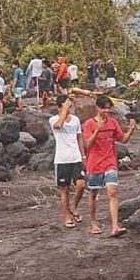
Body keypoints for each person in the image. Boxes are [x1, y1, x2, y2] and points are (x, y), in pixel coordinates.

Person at [83, 96, 136, 237]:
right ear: (97, 108)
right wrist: (97, 130)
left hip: (110, 161)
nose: (106, 110)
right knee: (94, 193)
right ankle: (93, 223)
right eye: (104, 108)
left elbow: (123, 139)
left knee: (112, 192)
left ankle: (115, 226)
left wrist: (131, 130)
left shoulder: (112, 123)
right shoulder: (89, 124)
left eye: (108, 108)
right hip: (94, 163)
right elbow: (87, 144)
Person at [51, 95, 86, 229]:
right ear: (60, 106)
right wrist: (64, 111)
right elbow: (58, 126)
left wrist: (83, 156)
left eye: (70, 106)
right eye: (67, 106)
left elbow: (79, 138)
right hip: (62, 159)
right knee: (64, 189)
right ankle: (67, 216)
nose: (70, 109)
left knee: (81, 185)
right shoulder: (53, 119)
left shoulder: (75, 120)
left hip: (75, 157)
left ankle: (74, 207)